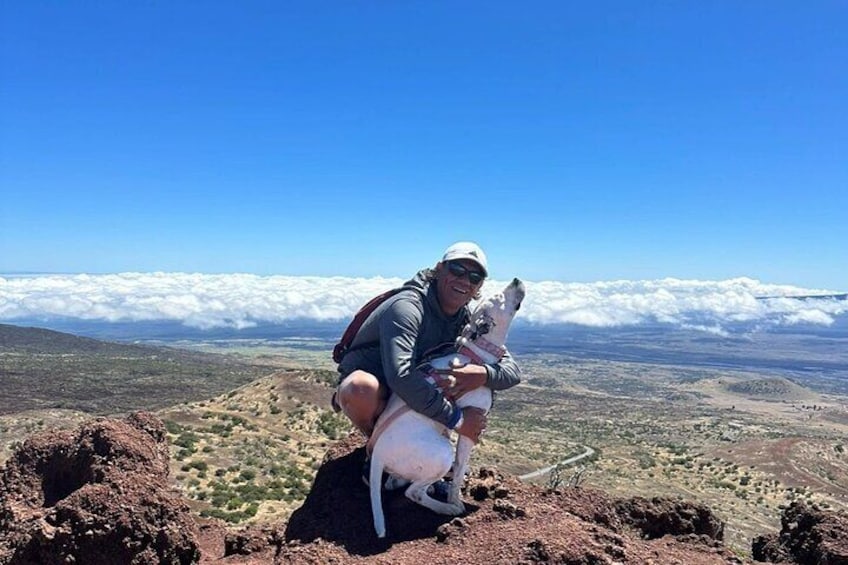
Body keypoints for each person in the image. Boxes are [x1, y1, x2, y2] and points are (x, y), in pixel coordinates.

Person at [333, 241, 522, 446]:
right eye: (457, 270)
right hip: (378, 390)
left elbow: (511, 371)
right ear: (440, 269)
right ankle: (377, 446)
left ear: (479, 286)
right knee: (360, 388)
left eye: (474, 277)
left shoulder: (465, 320)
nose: (465, 280)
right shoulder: (407, 308)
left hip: (411, 392)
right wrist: (457, 420)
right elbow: (401, 377)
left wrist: (484, 374)